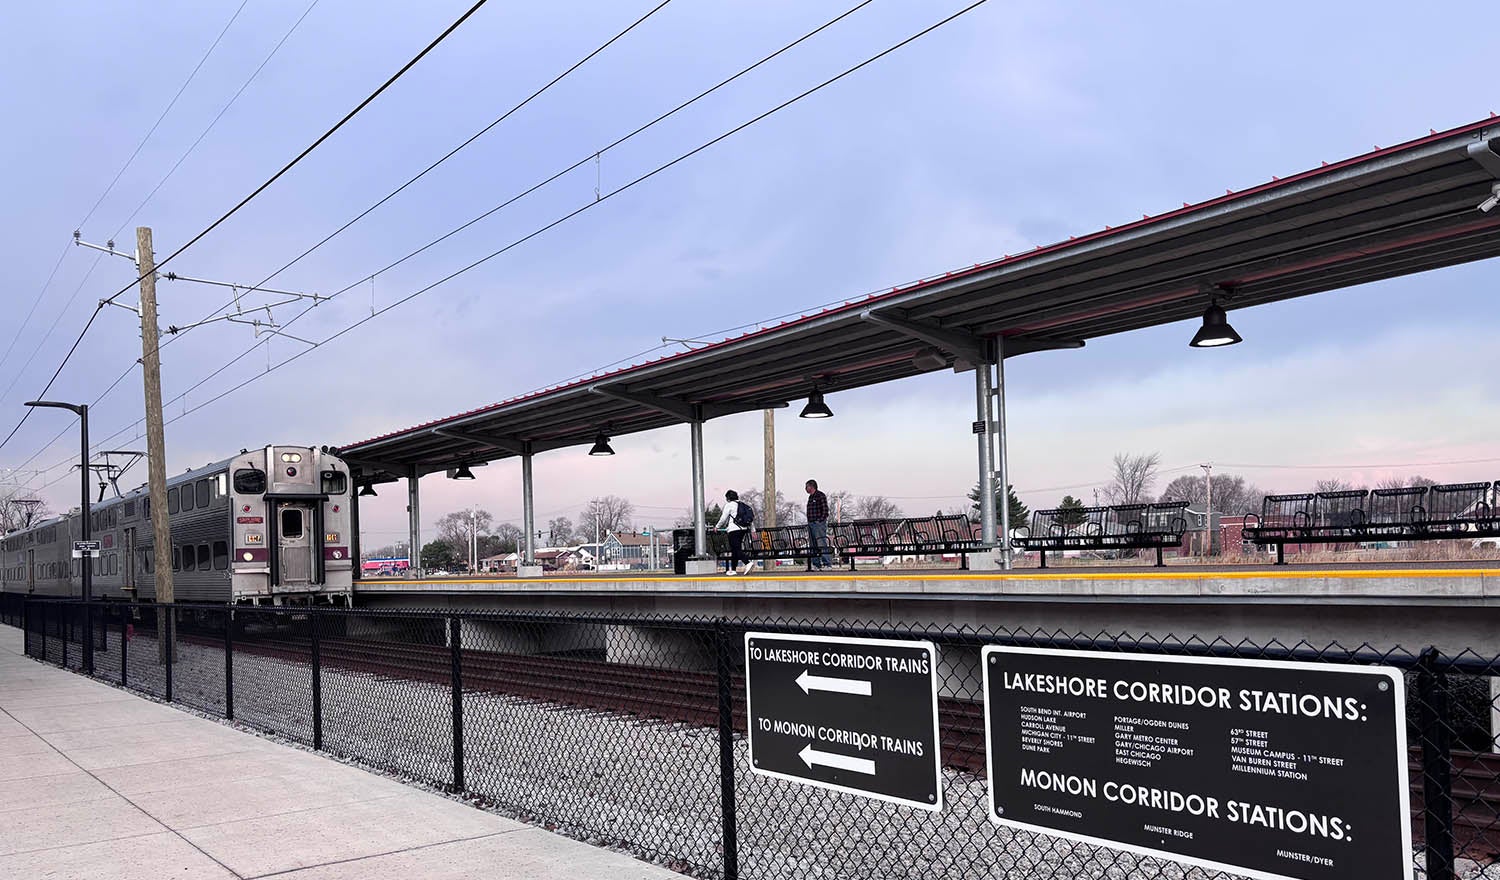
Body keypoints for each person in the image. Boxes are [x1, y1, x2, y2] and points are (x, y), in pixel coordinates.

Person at [715, 489, 758, 575]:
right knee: (735, 550)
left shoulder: (729, 505)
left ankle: (747, 562)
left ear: (728, 498)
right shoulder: (744, 505)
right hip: (743, 530)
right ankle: (733, 570)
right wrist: (753, 531)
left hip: (733, 530)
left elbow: (723, 518)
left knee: (736, 549)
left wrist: (717, 527)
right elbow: (750, 520)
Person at [805, 479, 832, 569]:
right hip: (811, 523)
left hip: (818, 524)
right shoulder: (810, 497)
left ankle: (827, 564)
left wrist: (820, 520)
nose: (805, 488)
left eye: (807, 486)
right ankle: (816, 564)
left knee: (821, 543)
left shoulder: (820, 495)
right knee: (813, 545)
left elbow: (825, 510)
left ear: (812, 486)